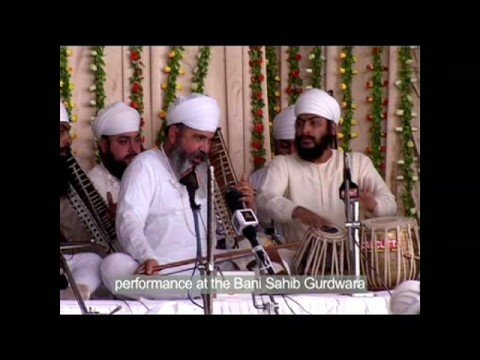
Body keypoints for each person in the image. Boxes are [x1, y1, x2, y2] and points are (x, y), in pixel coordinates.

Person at [100, 93, 223, 298]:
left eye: (209, 141)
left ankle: (197, 292)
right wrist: (146, 256)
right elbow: (128, 219)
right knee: (112, 266)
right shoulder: (145, 166)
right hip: (159, 270)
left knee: (260, 261)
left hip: (204, 267)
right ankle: (197, 293)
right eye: (199, 138)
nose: (205, 149)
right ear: (174, 135)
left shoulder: (203, 170)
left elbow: (216, 232)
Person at [256, 89, 397, 245]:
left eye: (314, 123)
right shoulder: (283, 164)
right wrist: (299, 212)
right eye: (300, 123)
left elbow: (390, 204)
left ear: (332, 129)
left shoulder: (357, 163)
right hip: (301, 261)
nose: (305, 130)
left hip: (351, 259)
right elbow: (265, 198)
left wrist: (373, 204)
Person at [60, 101, 102, 300]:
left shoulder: (66, 179)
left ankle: (74, 293)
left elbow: (80, 238)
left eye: (67, 132)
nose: (68, 140)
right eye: (61, 133)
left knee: (93, 260)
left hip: (66, 261)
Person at [249, 105, 296, 244]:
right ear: (275, 146)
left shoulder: (322, 176)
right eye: (285, 145)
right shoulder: (257, 179)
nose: (291, 152)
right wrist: (250, 208)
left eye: (297, 145)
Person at [89, 101, 142, 222]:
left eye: (137, 140)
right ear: (104, 146)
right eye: (124, 141)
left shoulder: (146, 177)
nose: (133, 149)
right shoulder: (92, 186)